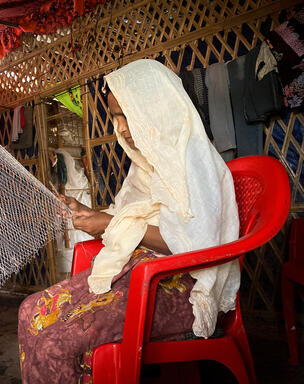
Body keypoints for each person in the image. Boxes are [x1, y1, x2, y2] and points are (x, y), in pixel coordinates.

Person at [17, 59, 240, 384]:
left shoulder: (192, 159)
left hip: (181, 286)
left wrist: (108, 226)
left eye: (127, 115)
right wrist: (90, 215)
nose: (120, 128)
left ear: (155, 107)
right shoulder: (147, 163)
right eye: (115, 117)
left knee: (58, 340)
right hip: (138, 272)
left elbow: (196, 245)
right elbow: (129, 215)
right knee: (29, 309)